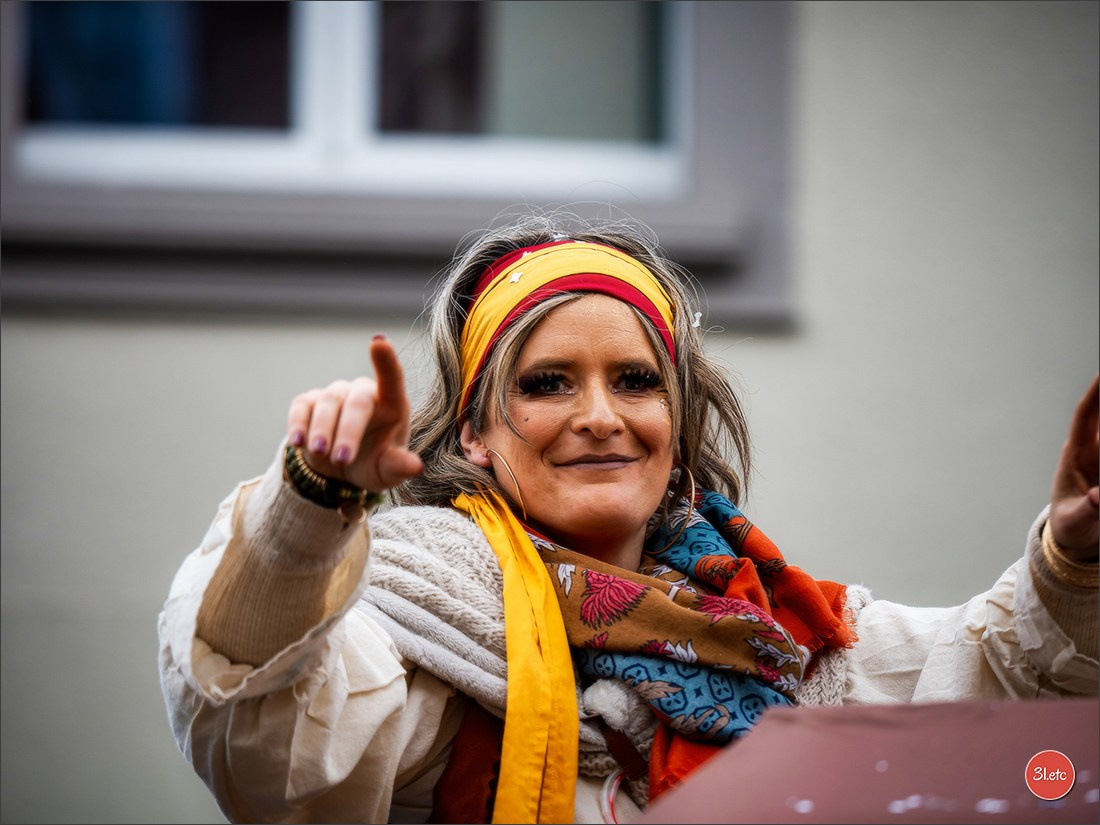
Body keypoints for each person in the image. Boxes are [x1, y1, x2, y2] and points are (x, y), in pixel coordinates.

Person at [158, 209, 1099, 825]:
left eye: (637, 381)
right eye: (547, 383)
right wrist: (311, 510)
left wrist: (1072, 559)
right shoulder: (412, 616)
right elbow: (267, 744)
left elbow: (1002, 687)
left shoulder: (791, 634)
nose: (601, 416)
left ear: (677, 428)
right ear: (478, 437)